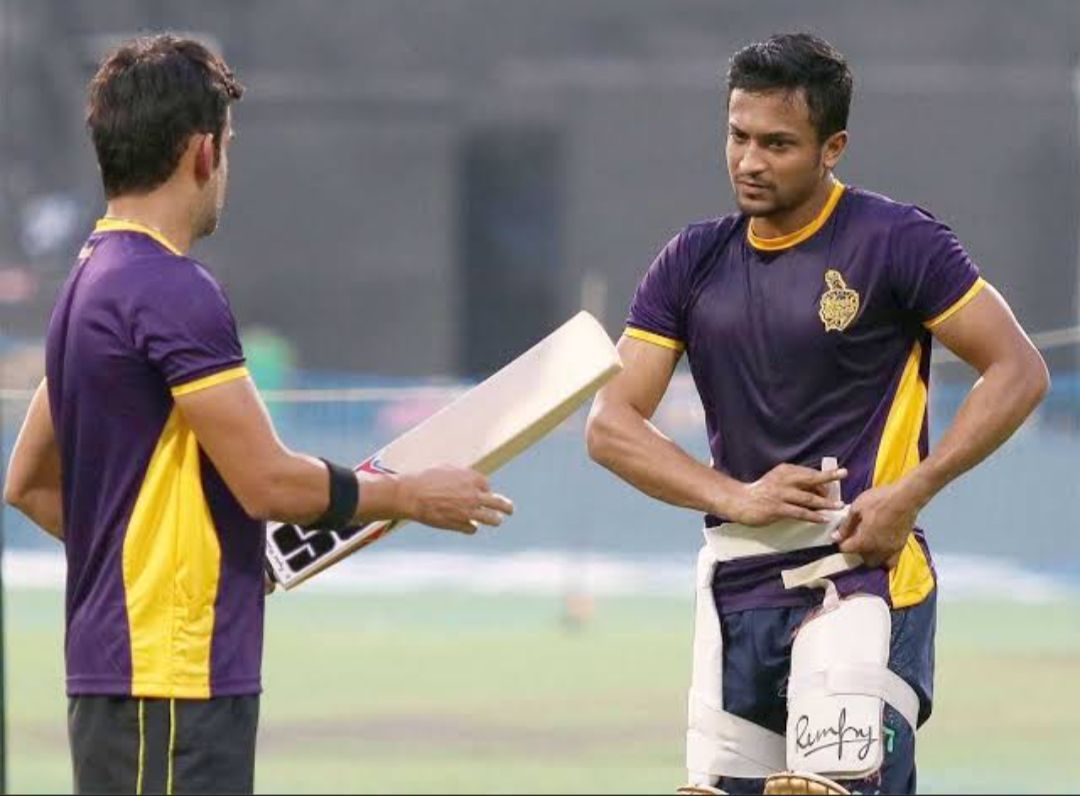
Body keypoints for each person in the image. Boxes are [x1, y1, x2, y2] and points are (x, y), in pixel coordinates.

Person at [3, 34, 513, 796]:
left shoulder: (86, 282)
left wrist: (186, 569)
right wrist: (409, 495)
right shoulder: (171, 289)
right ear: (204, 152)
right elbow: (268, 483)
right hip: (173, 681)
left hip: (123, 675)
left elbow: (28, 483)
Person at [586, 32, 1048, 796]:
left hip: (862, 578)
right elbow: (611, 425)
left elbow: (1018, 370)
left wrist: (911, 493)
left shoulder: (898, 241)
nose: (750, 161)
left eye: (778, 143)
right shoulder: (690, 261)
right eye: (737, 136)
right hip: (736, 591)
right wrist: (732, 495)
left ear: (832, 147)